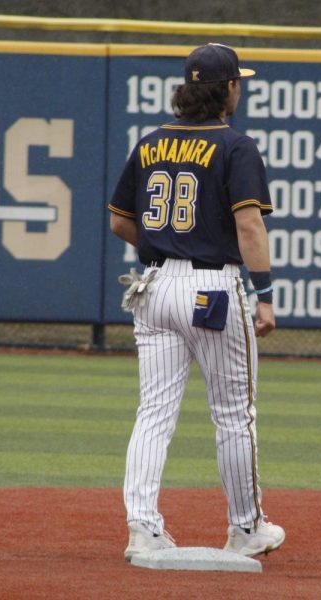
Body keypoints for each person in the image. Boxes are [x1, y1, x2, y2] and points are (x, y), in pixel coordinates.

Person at [107, 43, 284, 562]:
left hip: (153, 286)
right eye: (238, 81)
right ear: (227, 88)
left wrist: (165, 249)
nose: (241, 88)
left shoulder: (149, 143)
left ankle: (142, 527)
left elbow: (120, 221)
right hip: (212, 291)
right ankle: (246, 528)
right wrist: (266, 294)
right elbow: (249, 223)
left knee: (154, 412)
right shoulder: (235, 146)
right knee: (233, 414)